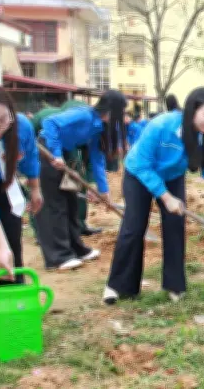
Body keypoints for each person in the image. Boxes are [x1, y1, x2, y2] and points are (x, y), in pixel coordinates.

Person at [103, 87, 204, 304]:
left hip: (172, 176)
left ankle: (174, 284)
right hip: (139, 173)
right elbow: (141, 164)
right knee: (134, 226)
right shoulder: (162, 125)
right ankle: (117, 286)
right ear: (192, 111)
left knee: (175, 225)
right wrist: (165, 197)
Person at [35, 90, 126, 271]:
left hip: (64, 155)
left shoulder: (99, 126)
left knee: (72, 202)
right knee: (56, 205)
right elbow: (50, 122)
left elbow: (97, 158)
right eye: (121, 111)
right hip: (47, 152)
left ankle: (77, 249)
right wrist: (56, 154)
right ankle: (58, 257)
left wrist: (103, 190)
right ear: (110, 109)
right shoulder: (83, 114)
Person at [0, 79, 42, 330]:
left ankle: (13, 318)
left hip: (6, 188)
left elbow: (30, 159)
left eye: (1, 122)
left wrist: (36, 189)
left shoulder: (22, 127)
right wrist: (0, 247)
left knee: (12, 252)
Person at [31, 100, 101, 237]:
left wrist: (92, 181)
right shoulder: (45, 116)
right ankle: (40, 232)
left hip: (69, 151)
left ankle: (78, 225)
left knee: (77, 185)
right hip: (45, 152)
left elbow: (92, 157)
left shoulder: (87, 126)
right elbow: (29, 135)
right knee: (45, 192)